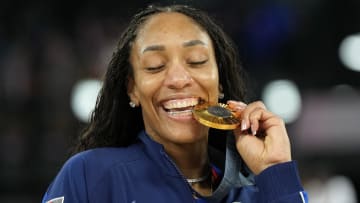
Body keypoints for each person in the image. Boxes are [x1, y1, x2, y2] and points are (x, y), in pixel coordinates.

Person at [42, 4, 308, 203]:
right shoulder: (91, 175)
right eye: (155, 66)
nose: (179, 79)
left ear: (220, 82)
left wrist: (275, 170)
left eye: (196, 61)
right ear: (132, 90)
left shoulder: (261, 190)